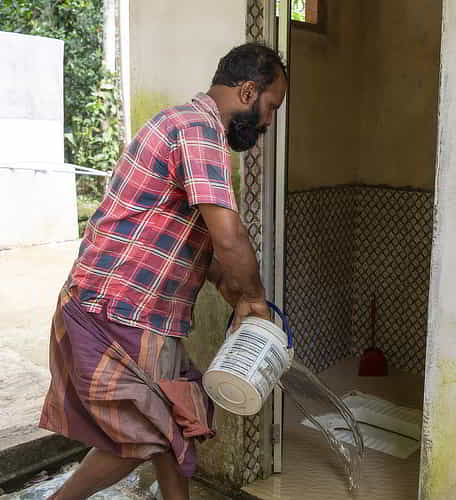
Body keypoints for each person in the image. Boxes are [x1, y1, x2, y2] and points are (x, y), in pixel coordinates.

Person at [39, 42, 288, 500]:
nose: (269, 122)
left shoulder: (187, 126)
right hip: (117, 307)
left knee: (175, 420)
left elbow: (194, 240)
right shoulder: (197, 130)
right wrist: (253, 301)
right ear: (250, 91)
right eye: (271, 107)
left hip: (147, 315)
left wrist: (228, 286)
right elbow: (228, 234)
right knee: (143, 435)